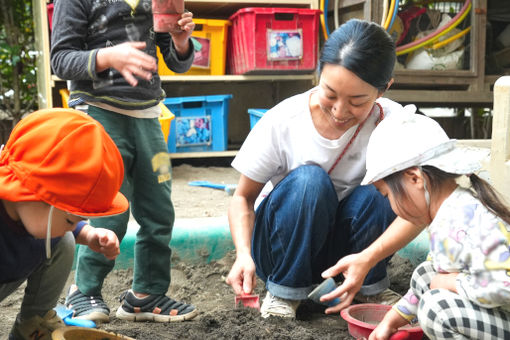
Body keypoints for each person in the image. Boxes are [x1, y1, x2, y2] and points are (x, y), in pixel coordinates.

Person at [226, 18, 412, 319]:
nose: (340, 111)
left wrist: (370, 257)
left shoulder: (391, 122)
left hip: (348, 253)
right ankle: (284, 292)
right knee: (310, 181)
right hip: (284, 248)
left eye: (356, 101)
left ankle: (368, 286)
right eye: (330, 94)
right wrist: (243, 255)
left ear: (383, 90)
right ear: (318, 73)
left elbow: (418, 202)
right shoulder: (284, 120)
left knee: (386, 190)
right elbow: (242, 198)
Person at [50, 0, 198, 323]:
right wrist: (107, 57)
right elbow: (60, 59)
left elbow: (175, 60)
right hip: (98, 110)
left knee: (159, 208)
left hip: (148, 114)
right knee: (106, 207)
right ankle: (84, 290)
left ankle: (146, 293)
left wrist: (180, 41)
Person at [322, 110, 510, 339]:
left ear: (415, 179)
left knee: (436, 308)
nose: (390, 205)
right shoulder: (449, 214)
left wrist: (452, 282)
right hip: (495, 314)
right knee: (425, 273)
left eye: (387, 195)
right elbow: (432, 277)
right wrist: (391, 321)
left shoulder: (465, 220)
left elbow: (503, 287)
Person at [0, 108, 128, 340]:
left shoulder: (36, 215)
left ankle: (32, 324)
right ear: (32, 194)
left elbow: (65, 225)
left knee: (63, 242)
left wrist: (88, 234)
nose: (74, 226)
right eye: (72, 219)